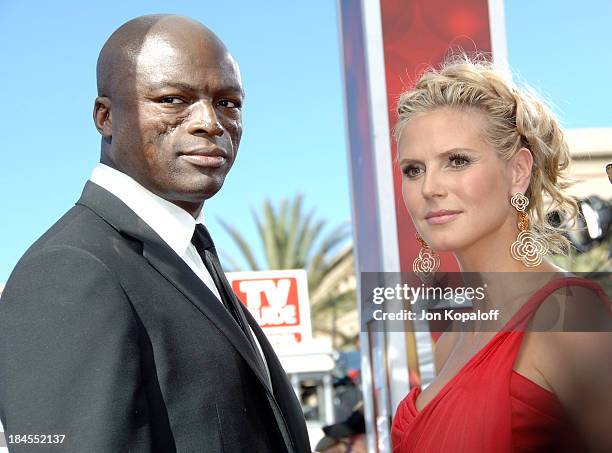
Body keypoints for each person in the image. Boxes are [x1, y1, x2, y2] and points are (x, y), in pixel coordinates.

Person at [0, 15, 310, 453]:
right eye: (172, 99)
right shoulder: (70, 271)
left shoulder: (187, 253)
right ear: (105, 117)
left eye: (228, 103)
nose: (210, 122)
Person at [390, 55, 612, 452]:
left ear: (519, 171)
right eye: (413, 169)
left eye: (457, 161)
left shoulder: (571, 314)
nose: (429, 188)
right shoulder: (449, 343)